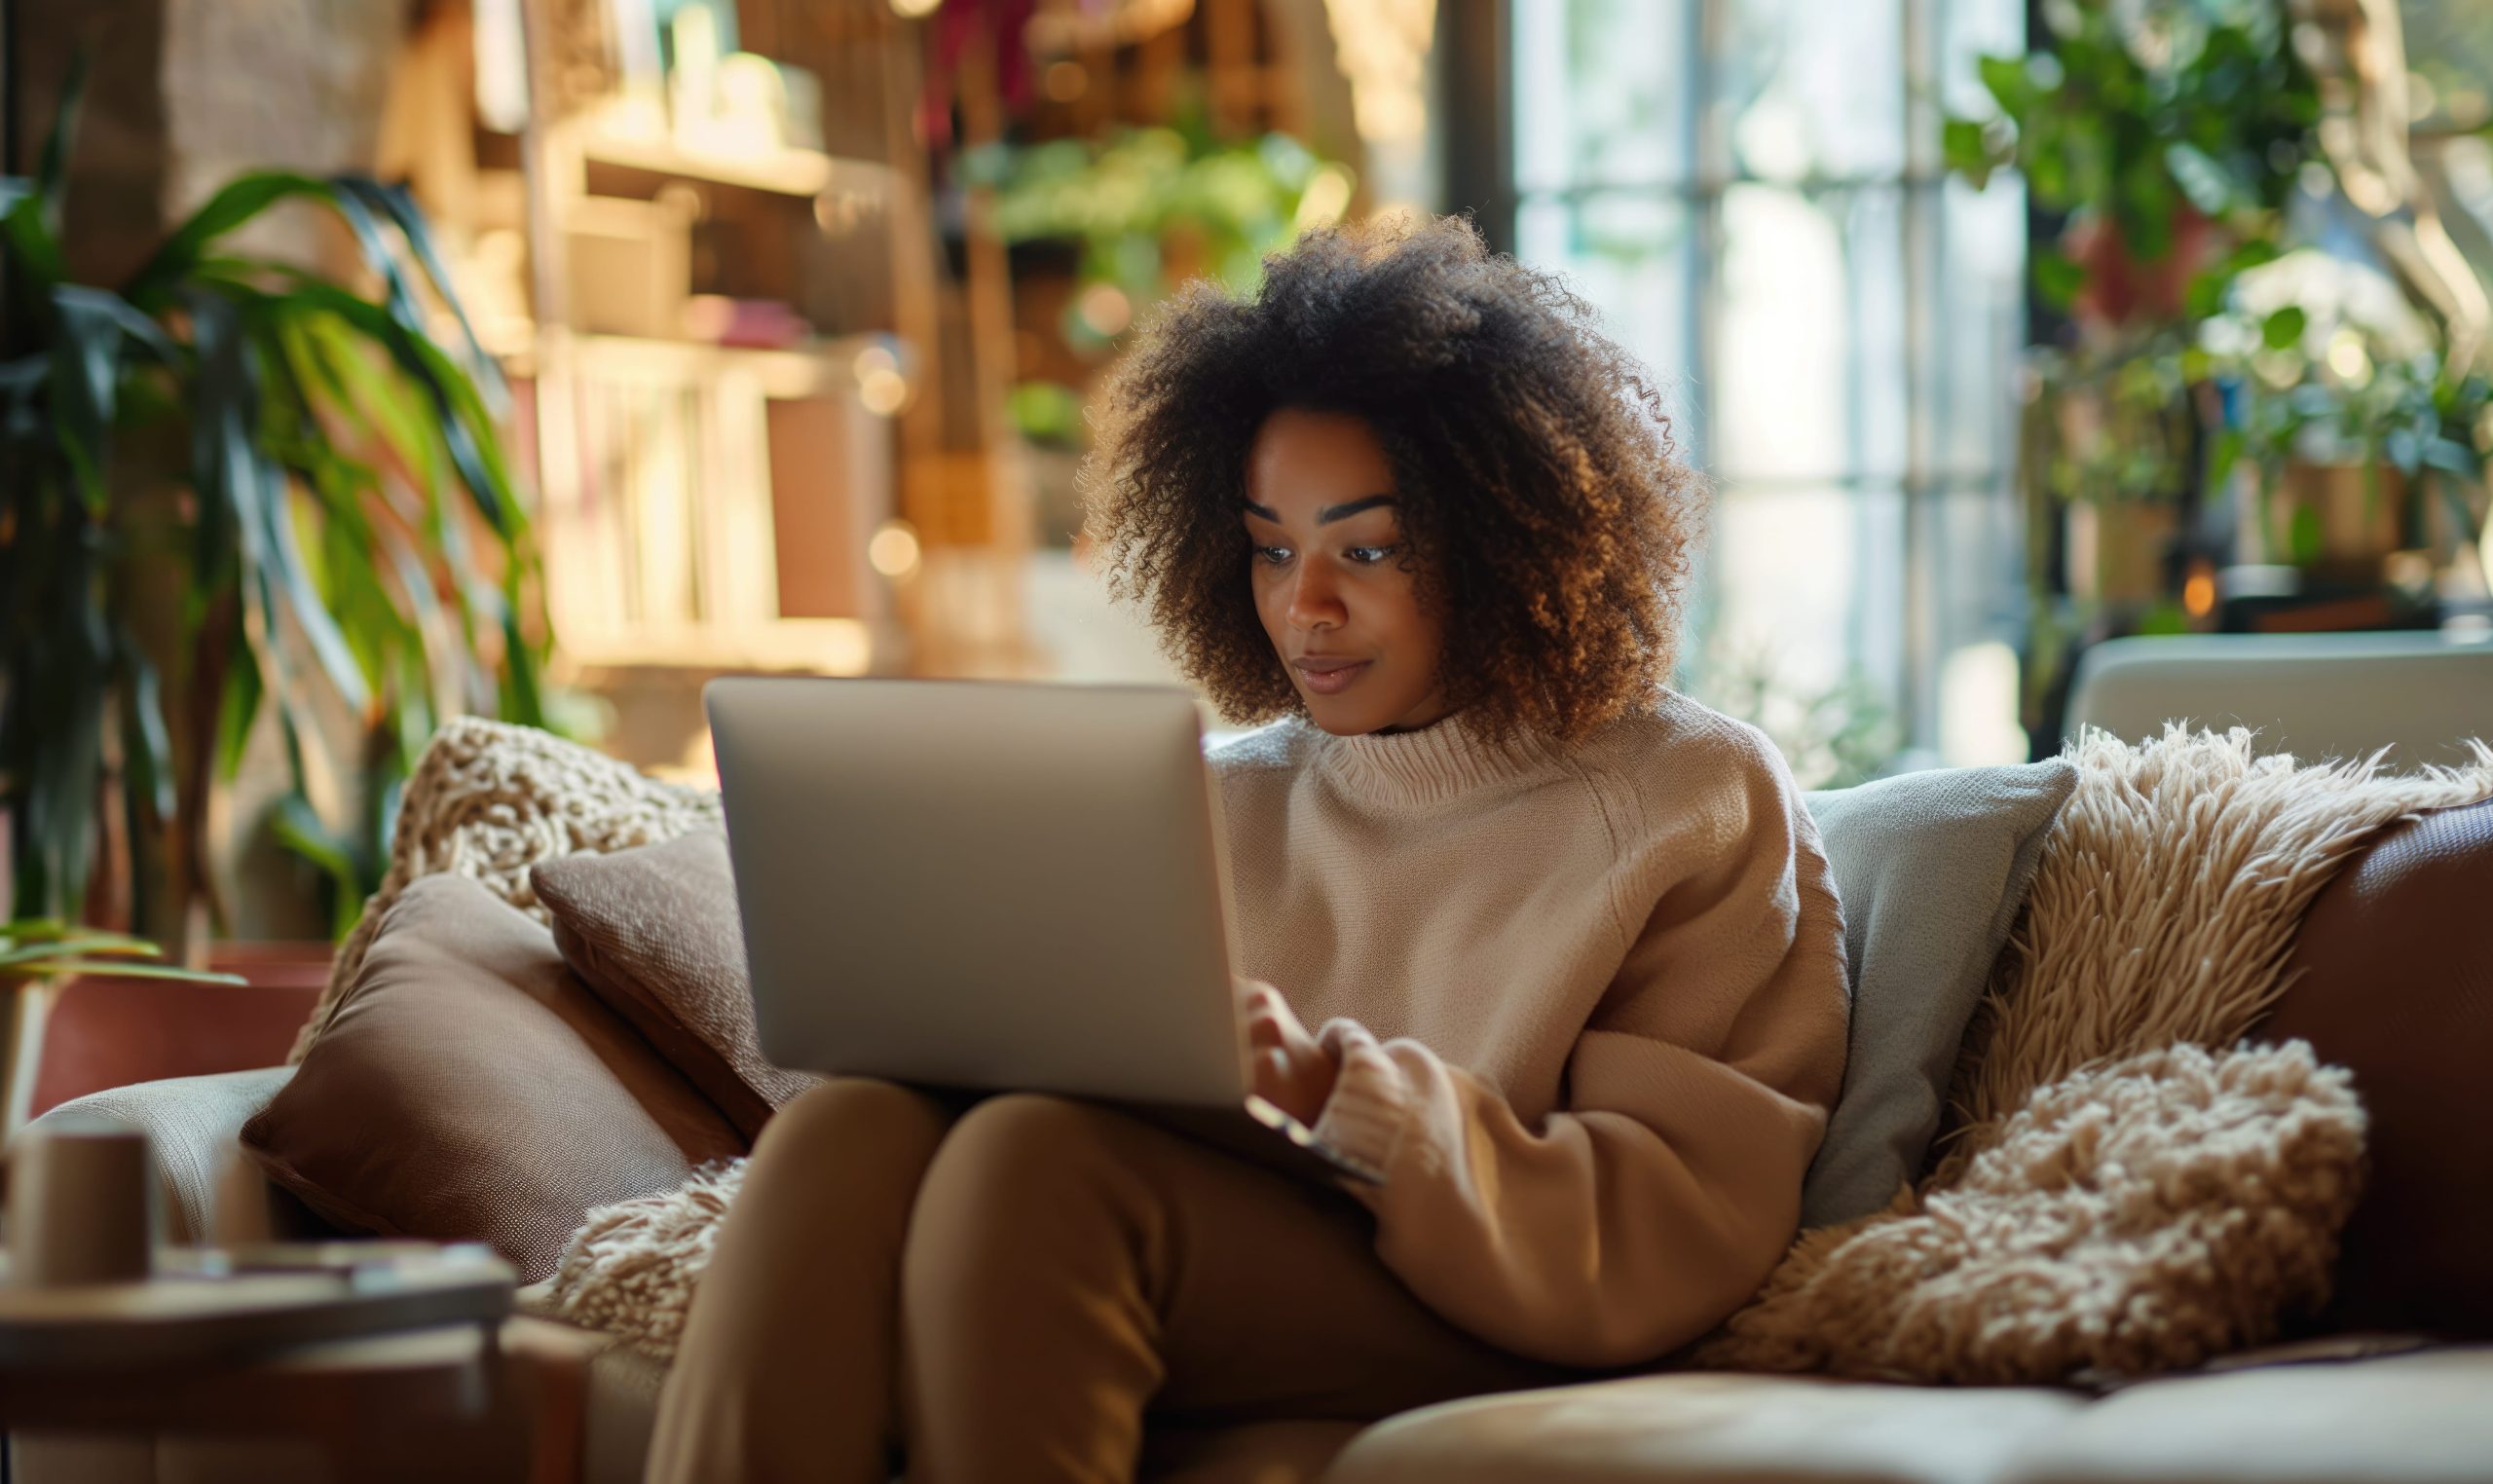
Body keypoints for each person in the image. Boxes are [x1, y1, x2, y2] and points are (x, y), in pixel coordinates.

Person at [647, 215, 1849, 1484]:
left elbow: (1674, 1218)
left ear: (1512, 538)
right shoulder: (1218, 801)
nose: (1303, 606)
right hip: (1227, 1243)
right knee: (851, 1128)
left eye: (1365, 550)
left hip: (1508, 1299)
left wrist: (1333, 1092)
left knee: (1037, 1170)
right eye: (1272, 548)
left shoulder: (1686, 797)